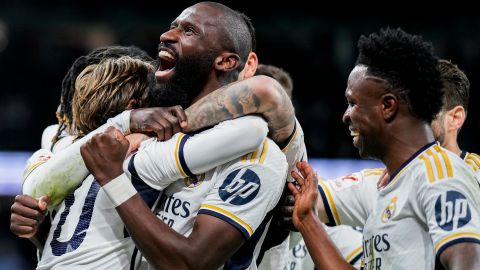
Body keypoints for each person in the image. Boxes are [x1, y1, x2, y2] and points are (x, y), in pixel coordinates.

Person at [13, 2, 304, 269]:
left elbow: (190, 263)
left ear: (227, 61)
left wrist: (116, 174)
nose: (166, 35)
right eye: (172, 25)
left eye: (188, 30)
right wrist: (44, 229)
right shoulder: (151, 137)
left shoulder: (258, 155)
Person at [289, 28, 480, 269]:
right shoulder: (389, 182)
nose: (345, 116)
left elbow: (468, 264)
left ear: (387, 106)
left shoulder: (439, 174)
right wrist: (308, 221)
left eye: (352, 103)